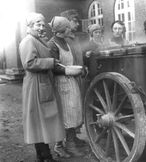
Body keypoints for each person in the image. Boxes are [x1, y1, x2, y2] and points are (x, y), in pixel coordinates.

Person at [19, 12, 65, 162]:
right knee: (38, 121)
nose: (41, 27)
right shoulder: (28, 41)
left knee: (42, 121)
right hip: (35, 86)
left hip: (43, 84)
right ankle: (46, 156)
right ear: (30, 26)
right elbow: (29, 63)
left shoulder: (38, 40)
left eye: (42, 23)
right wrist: (51, 62)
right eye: (38, 24)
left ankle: (42, 155)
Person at [48, 16, 84, 158]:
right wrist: (66, 70)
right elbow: (52, 66)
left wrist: (78, 69)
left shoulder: (65, 41)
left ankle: (71, 140)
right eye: (68, 27)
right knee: (66, 114)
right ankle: (63, 145)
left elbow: (69, 61)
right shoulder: (52, 45)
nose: (71, 29)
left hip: (71, 81)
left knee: (74, 111)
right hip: (61, 83)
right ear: (62, 29)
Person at [60, 9, 87, 146]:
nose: (77, 24)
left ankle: (74, 135)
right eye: (74, 21)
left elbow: (78, 56)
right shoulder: (63, 40)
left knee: (77, 107)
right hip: (69, 77)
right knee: (69, 108)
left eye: (77, 21)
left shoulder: (74, 37)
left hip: (78, 76)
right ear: (66, 22)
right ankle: (68, 140)